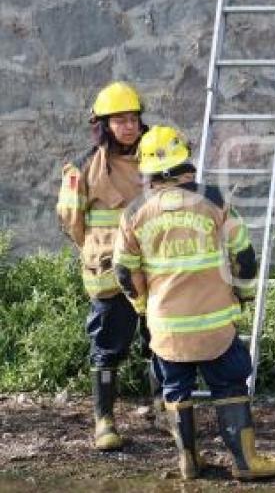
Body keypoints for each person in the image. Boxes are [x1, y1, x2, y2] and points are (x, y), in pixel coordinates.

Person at [113, 125, 275, 480]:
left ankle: (187, 462)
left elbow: (123, 271)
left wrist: (144, 307)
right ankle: (245, 462)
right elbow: (245, 257)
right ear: (184, 160)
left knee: (175, 389)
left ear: (146, 170)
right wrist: (243, 295)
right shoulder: (214, 200)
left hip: (166, 327)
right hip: (214, 324)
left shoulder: (134, 212)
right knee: (230, 384)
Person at [56, 81, 163, 451]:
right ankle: (104, 421)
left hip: (154, 267)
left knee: (161, 339)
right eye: (120, 120)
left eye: (133, 119)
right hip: (108, 271)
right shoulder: (85, 166)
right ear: (103, 124)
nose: (129, 126)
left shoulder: (156, 159)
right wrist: (96, 248)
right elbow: (71, 218)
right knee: (107, 345)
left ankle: (164, 409)